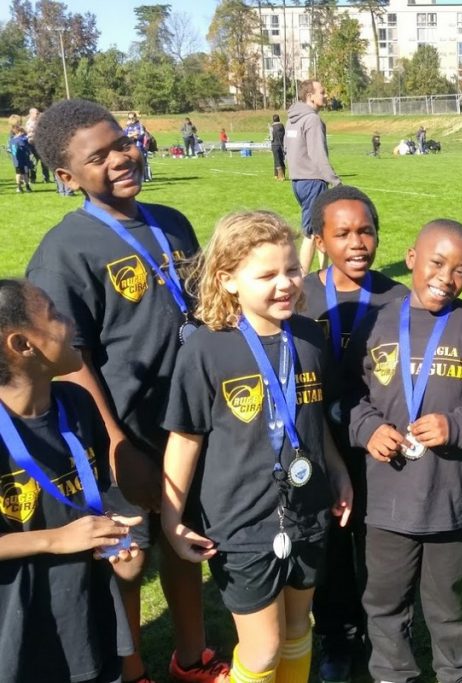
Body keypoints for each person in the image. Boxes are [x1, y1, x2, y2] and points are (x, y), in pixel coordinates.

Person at [24, 98, 227, 683]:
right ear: (66, 177)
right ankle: (131, 669)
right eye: (99, 155)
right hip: (126, 435)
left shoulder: (171, 221)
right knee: (128, 561)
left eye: (122, 142)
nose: (121, 157)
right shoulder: (66, 251)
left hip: (189, 423)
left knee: (186, 536)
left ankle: (192, 658)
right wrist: (116, 446)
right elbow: (69, 360)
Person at [162, 210, 354, 683]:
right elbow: (185, 439)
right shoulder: (205, 350)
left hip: (307, 510)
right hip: (242, 521)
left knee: (295, 629)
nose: (285, 283)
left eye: (291, 269)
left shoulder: (309, 336)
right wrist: (171, 518)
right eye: (266, 275)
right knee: (263, 649)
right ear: (227, 281)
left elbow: (312, 419)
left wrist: (339, 473)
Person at [344, 220, 462, 683]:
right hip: (389, 499)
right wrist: (368, 429)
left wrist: (456, 425)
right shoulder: (377, 321)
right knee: (384, 598)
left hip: (453, 499)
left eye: (461, 270)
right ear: (411, 258)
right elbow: (348, 394)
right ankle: (392, 673)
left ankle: (459, 673)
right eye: (437, 263)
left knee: (448, 602)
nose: (447, 277)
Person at [0, 279, 140, 683]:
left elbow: (92, 500)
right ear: (22, 345)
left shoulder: (78, 406)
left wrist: (117, 543)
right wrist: (54, 539)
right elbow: (63, 533)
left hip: (86, 618)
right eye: (55, 315)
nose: (69, 324)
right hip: (20, 632)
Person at [300, 184, 408, 683]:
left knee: (381, 547)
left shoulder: (399, 298)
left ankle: (389, 631)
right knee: (330, 548)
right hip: (318, 444)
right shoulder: (298, 296)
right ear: (320, 240)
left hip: (380, 447)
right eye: (342, 233)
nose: (357, 243)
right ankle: (338, 636)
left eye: (366, 231)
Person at [285, 79, 341, 276]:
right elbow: (318, 155)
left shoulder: (291, 119)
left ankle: (324, 274)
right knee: (310, 232)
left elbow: (287, 150)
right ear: (310, 96)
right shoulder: (312, 120)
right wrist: (335, 181)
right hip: (312, 181)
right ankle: (303, 280)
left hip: (297, 181)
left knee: (320, 228)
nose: (325, 96)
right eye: (322, 92)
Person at [24, 106, 49, 184]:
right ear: (31, 114)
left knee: (44, 161)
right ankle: (33, 178)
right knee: (33, 162)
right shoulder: (29, 123)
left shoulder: (40, 121)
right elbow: (31, 132)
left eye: (38, 113)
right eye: (36, 113)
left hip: (40, 144)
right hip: (32, 145)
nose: (38, 114)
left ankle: (46, 178)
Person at [124, 112, 151, 182]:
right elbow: (124, 136)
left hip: (139, 146)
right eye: (129, 118)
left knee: (142, 162)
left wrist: (134, 136)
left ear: (136, 117)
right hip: (130, 147)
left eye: (132, 118)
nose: (131, 119)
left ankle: (144, 177)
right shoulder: (128, 126)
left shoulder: (140, 125)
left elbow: (141, 135)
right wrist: (133, 135)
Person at [8, 125, 32, 193]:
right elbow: (26, 147)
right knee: (25, 173)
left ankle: (18, 187)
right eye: (22, 132)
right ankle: (27, 186)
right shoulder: (21, 140)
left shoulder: (12, 140)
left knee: (18, 173)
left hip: (15, 160)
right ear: (19, 132)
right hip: (23, 159)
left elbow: (10, 149)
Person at [270, 113, 286, 181]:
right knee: (281, 160)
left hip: (275, 145)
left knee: (277, 161)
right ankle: (277, 175)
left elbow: (271, 138)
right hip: (282, 145)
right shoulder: (282, 126)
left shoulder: (272, 127)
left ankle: (280, 176)